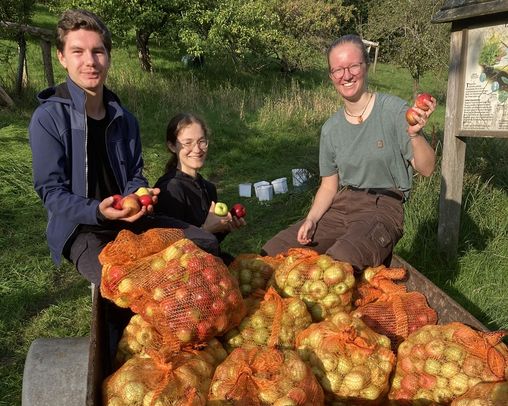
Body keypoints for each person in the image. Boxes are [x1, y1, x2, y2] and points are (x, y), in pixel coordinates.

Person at [29, 10, 219, 287]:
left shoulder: (125, 119)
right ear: (62, 57)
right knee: (127, 284)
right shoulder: (48, 118)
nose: (90, 62)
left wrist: (136, 198)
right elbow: (51, 192)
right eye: (78, 51)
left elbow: (135, 174)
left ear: (108, 56)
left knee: (205, 242)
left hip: (129, 219)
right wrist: (98, 211)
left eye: (98, 51)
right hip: (82, 229)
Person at [262, 34, 436, 271]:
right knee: (273, 252)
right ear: (331, 76)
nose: (346, 75)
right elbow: (328, 186)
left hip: (382, 206)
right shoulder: (330, 129)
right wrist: (311, 219)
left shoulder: (394, 110)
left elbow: (426, 168)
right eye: (338, 70)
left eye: (353, 66)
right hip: (342, 205)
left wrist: (414, 135)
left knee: (337, 264)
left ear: (365, 66)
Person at [154, 113, 246, 264]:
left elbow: (210, 244)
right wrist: (205, 230)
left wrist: (224, 227)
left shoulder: (208, 188)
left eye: (201, 142)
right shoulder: (169, 190)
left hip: (207, 265)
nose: (197, 149)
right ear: (172, 146)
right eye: (188, 143)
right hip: (184, 277)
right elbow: (169, 254)